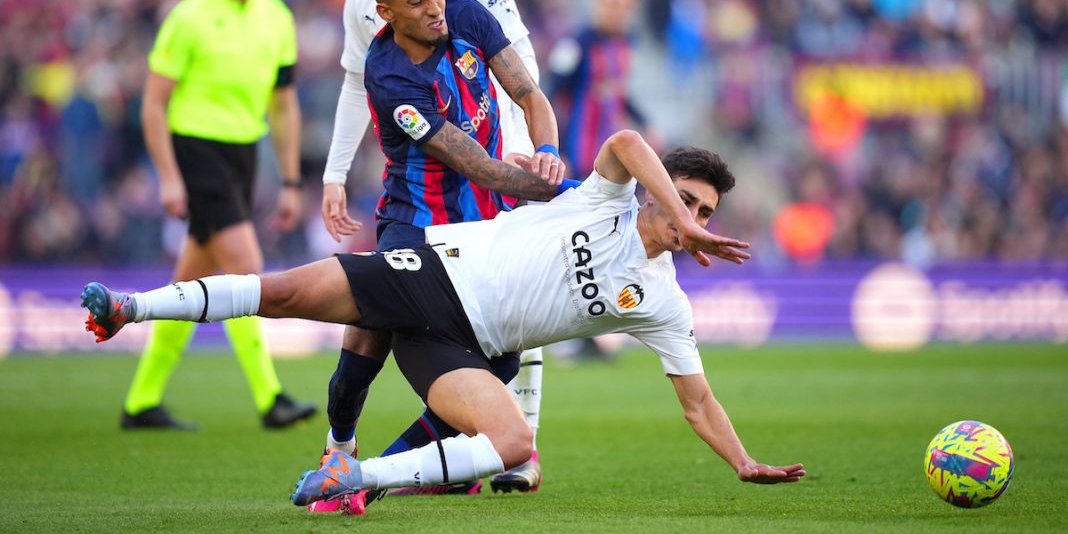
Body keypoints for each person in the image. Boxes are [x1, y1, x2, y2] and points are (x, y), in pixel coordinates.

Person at [81, 129, 806, 517]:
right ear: (658, 194)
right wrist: (672, 207)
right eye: (684, 201)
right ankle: (130, 308)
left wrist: (742, 461)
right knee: (286, 295)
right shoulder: (603, 199)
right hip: (433, 277)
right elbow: (622, 141)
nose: (694, 221)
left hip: (469, 348)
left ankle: (348, 475)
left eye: (706, 213)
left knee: (516, 442)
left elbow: (698, 400)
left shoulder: (662, 302)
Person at [319, 0, 551, 494]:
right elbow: (352, 84)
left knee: (512, 320)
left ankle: (517, 448)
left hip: (491, 176)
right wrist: (335, 174)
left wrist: (520, 154)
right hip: (416, 188)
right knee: (374, 321)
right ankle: (347, 444)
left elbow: (520, 64)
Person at [122, 0, 316, 430]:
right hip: (196, 149)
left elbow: (284, 105)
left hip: (243, 154)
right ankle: (270, 397)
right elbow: (153, 104)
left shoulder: (277, 16)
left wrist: (293, 181)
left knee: (193, 277)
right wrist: (168, 175)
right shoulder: (189, 16)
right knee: (246, 269)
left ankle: (142, 400)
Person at [548, 0, 655, 361]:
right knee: (576, 243)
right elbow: (550, 92)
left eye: (624, 3)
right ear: (596, 2)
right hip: (580, 160)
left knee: (605, 245)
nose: (617, 9)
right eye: (610, 2)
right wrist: (551, 147)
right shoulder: (577, 44)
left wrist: (646, 122)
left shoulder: (628, 44)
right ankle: (567, 337)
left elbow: (619, 94)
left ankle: (592, 332)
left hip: (618, 167)